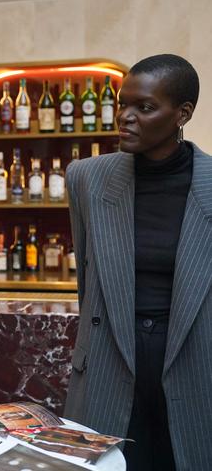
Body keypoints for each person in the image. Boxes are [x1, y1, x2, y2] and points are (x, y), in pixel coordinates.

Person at [63, 54, 211, 470]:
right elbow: (90, 283)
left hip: (195, 359)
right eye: (122, 103)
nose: (125, 117)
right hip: (110, 356)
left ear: (183, 113)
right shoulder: (86, 177)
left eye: (144, 108)